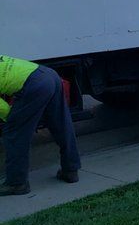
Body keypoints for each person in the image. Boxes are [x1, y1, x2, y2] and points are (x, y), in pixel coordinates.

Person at [1, 54, 81, 196]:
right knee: (61, 125)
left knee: (14, 133)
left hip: (34, 85)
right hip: (48, 74)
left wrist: (18, 120)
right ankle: (71, 170)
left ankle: (17, 183)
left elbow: (3, 110)